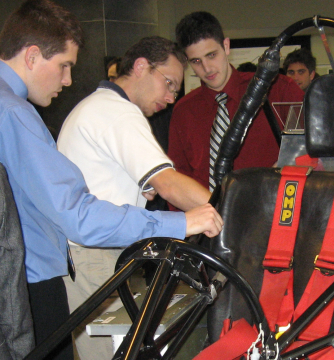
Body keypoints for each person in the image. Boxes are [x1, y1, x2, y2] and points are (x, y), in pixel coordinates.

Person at [0, 1, 222, 360]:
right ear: (32, 56)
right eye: (64, 66)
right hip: (52, 271)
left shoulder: (87, 107)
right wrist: (195, 218)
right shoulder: (20, 113)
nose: (68, 80)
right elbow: (82, 213)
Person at [57, 36, 213, 359]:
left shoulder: (97, 106)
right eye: (168, 84)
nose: (171, 98)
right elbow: (168, 184)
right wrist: (225, 209)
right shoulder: (117, 112)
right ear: (141, 66)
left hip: (94, 253)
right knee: (110, 352)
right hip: (97, 253)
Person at [169, 11, 304, 190]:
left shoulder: (278, 89)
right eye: (196, 61)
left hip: (271, 209)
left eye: (211, 55)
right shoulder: (184, 111)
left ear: (226, 46)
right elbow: (178, 178)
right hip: (208, 213)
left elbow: (309, 150)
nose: (207, 68)